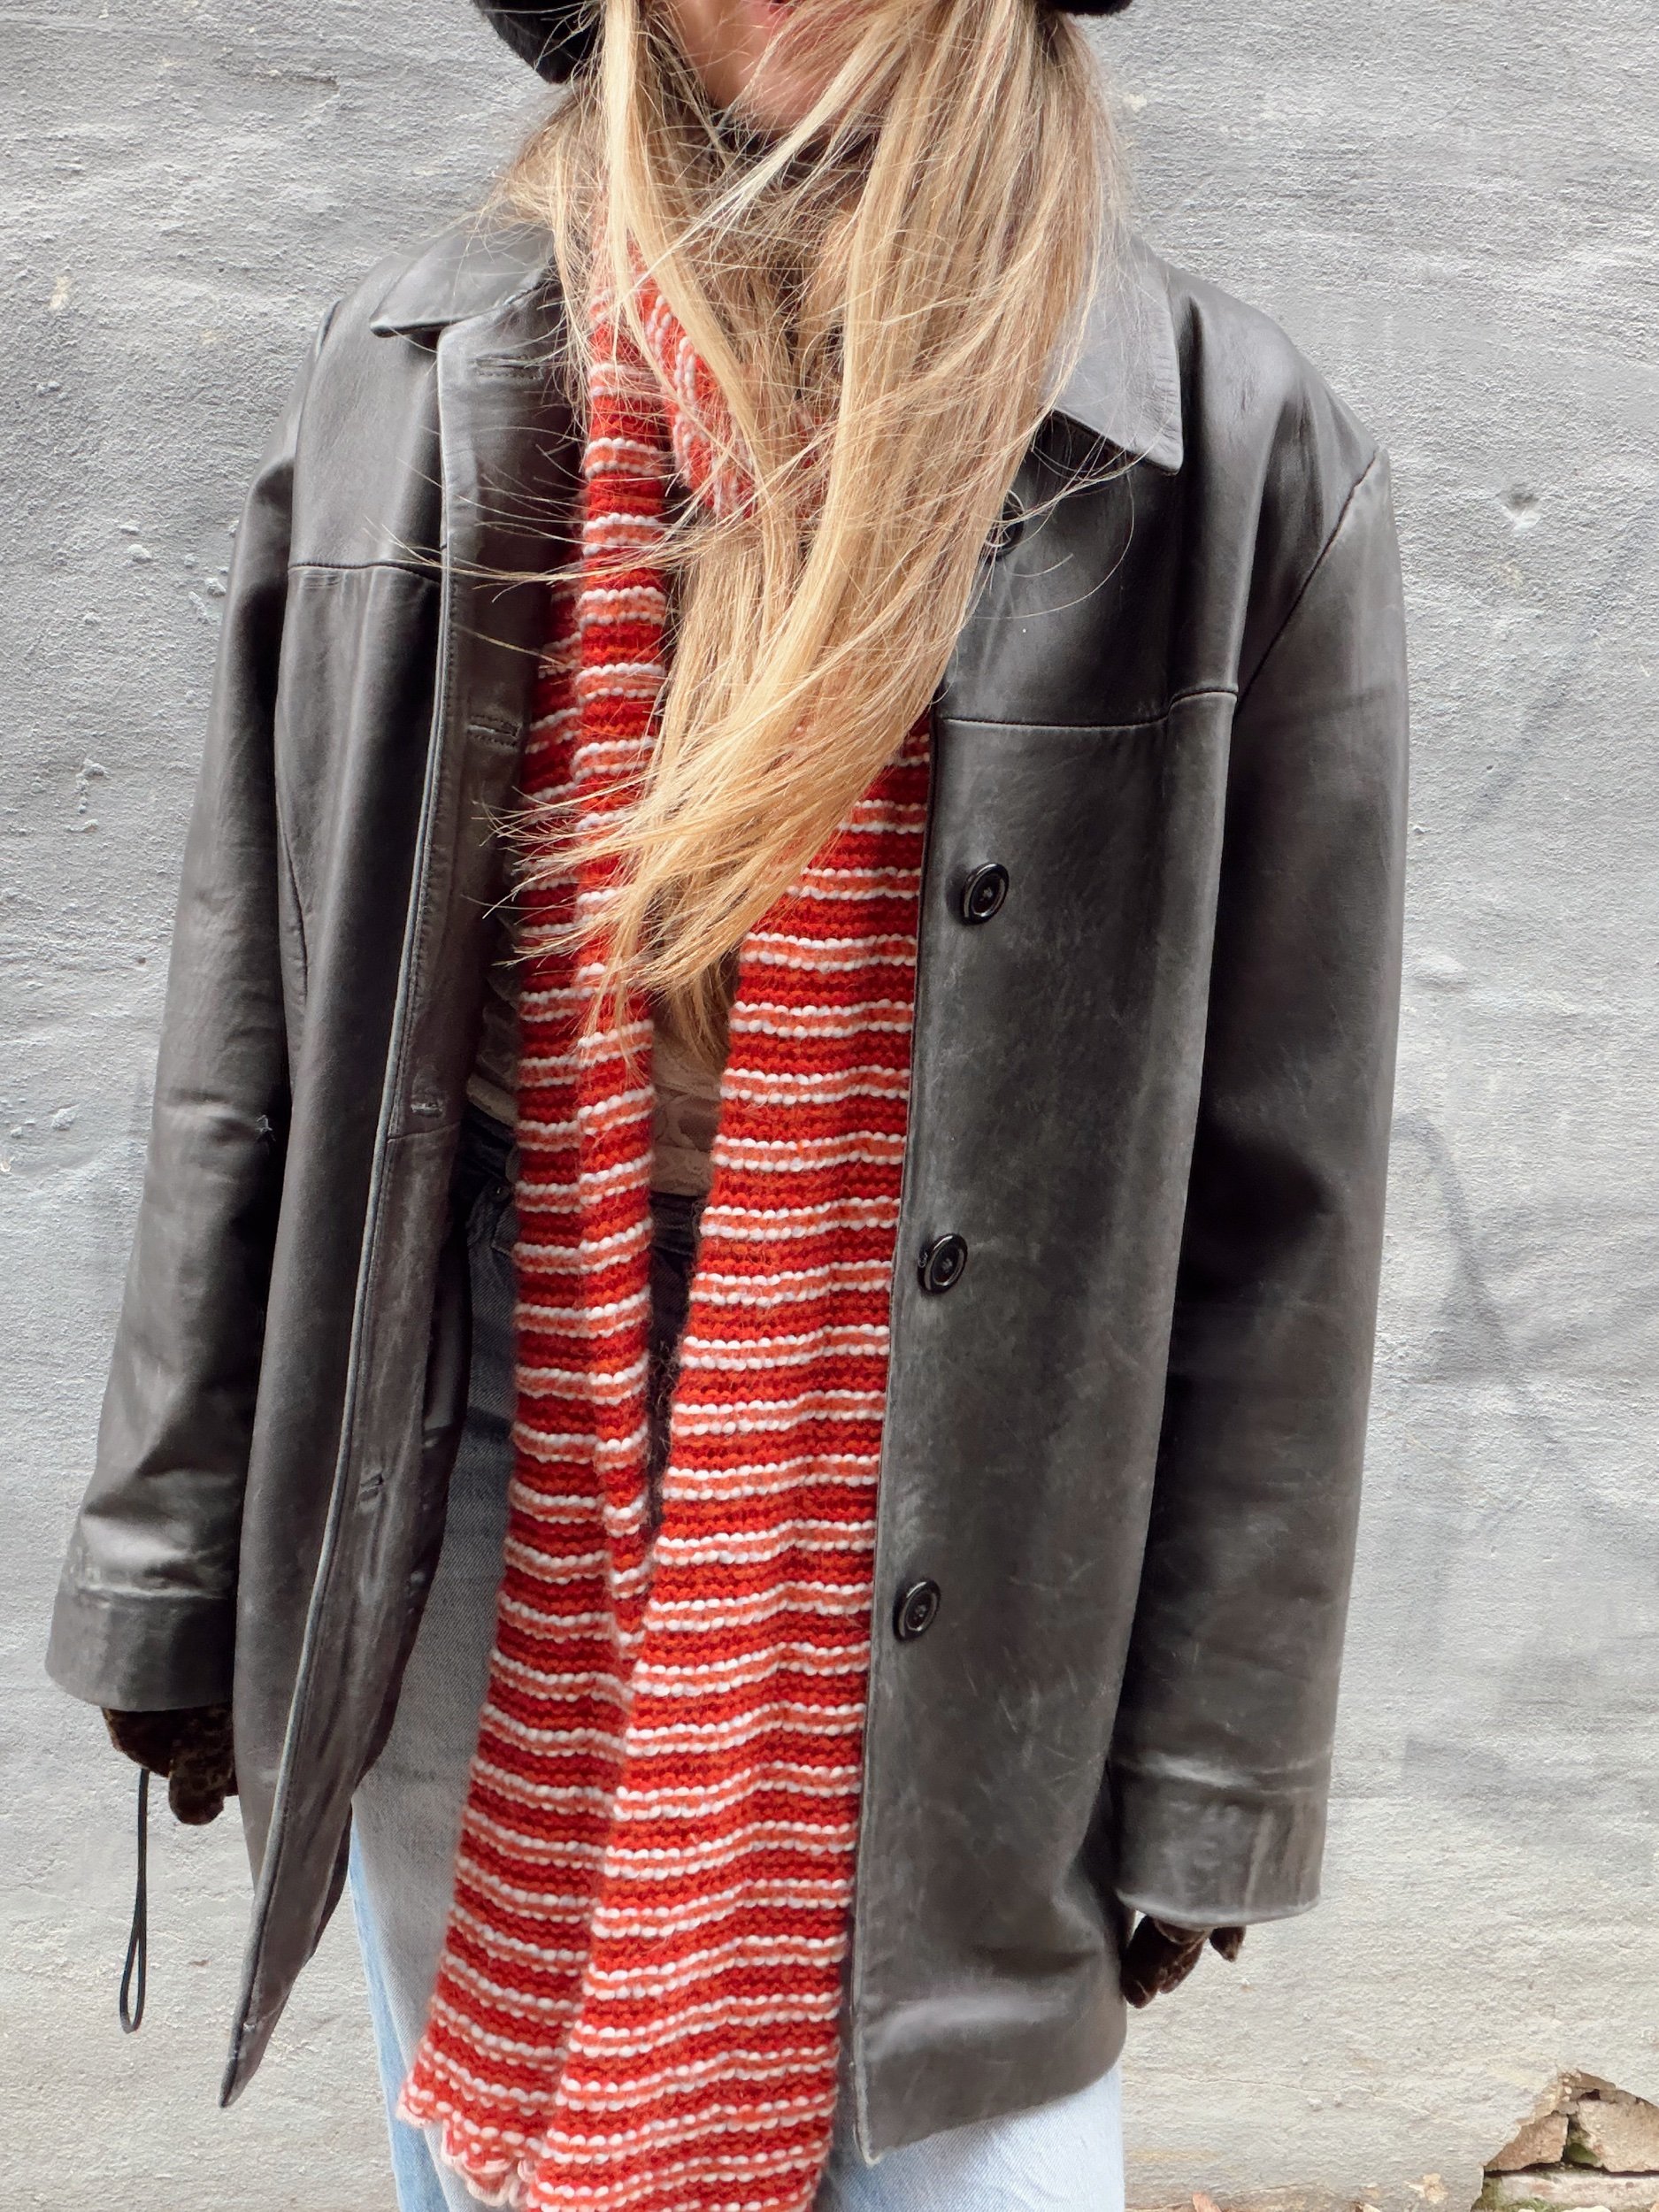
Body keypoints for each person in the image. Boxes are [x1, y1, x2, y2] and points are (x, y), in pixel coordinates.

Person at [45, 0, 1409, 2203]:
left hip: (977, 1495)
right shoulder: (410, 386)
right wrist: (170, 1560)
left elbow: (1284, 1200)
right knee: (499, 2123)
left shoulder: (1220, 450)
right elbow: (252, 1040)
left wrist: (1216, 1766)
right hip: (485, 1439)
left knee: (973, 2163)